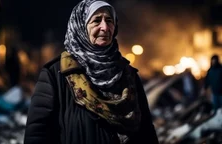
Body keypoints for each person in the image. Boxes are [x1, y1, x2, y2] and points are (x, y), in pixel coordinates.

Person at [24, 0, 159, 143]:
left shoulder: (127, 74)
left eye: (109, 20)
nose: (105, 27)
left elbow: (146, 131)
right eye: (96, 21)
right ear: (80, 26)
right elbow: (38, 133)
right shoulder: (57, 74)